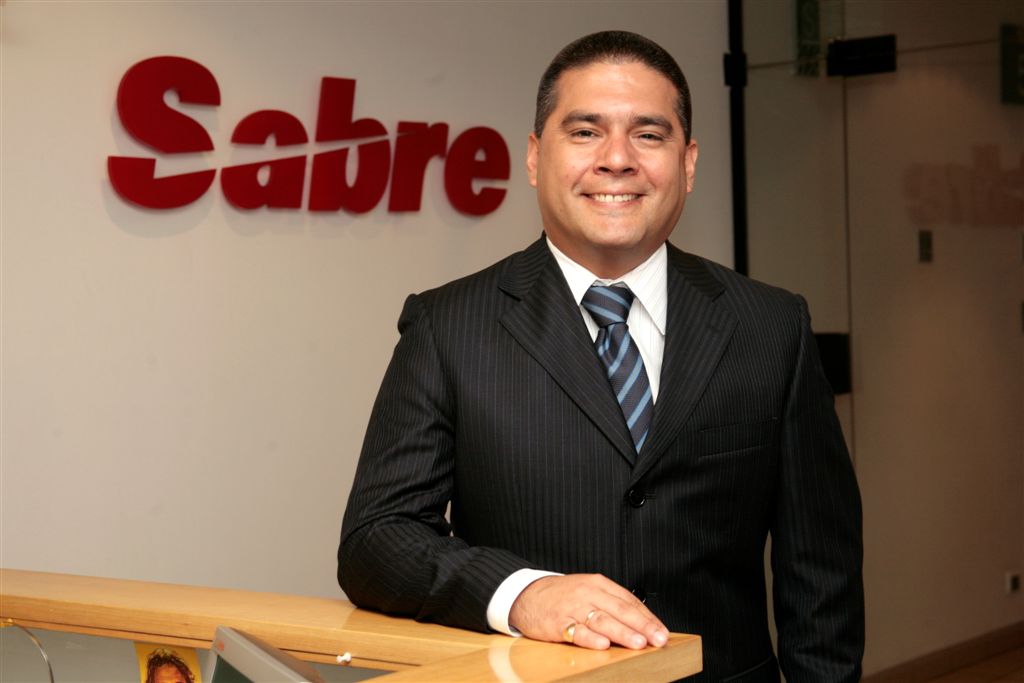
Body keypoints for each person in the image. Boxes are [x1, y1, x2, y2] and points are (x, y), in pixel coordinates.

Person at [338, 30, 863, 682]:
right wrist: (523, 593)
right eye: (585, 132)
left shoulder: (772, 327)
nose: (617, 159)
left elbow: (822, 574)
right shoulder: (447, 326)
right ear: (536, 157)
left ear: (689, 162)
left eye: (649, 134)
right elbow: (376, 538)